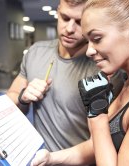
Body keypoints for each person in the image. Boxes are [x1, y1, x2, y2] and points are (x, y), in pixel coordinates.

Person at [31, 0, 129, 165]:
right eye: (88, 40)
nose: (89, 50)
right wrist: (51, 158)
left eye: (97, 38)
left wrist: (97, 117)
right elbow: (100, 147)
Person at [6, 0, 100, 152]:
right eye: (65, 18)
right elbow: (12, 98)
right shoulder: (36, 52)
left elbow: (102, 143)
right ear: (58, 12)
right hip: (40, 160)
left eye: (79, 22)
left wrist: (55, 160)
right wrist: (23, 98)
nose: (69, 29)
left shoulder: (101, 67)